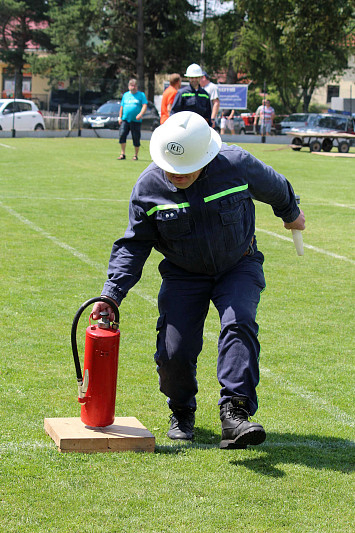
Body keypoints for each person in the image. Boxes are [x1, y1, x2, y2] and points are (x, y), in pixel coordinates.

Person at [92, 111, 305, 449]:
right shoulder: (147, 188)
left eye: (186, 169)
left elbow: (276, 187)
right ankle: (181, 410)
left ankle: (234, 412)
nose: (177, 175)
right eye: (171, 169)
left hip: (239, 263)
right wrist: (112, 294)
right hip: (182, 274)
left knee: (239, 323)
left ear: (206, 157)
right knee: (175, 350)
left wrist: (291, 213)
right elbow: (133, 246)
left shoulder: (236, 164)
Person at [117, 79, 148, 160]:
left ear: (137, 86)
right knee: (122, 135)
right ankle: (122, 154)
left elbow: (144, 106)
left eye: (134, 86)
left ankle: (135, 155)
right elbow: (122, 107)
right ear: (128, 86)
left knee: (136, 137)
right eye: (131, 85)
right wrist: (119, 117)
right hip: (125, 120)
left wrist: (141, 114)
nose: (133, 87)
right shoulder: (125, 95)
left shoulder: (141, 95)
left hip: (136, 121)